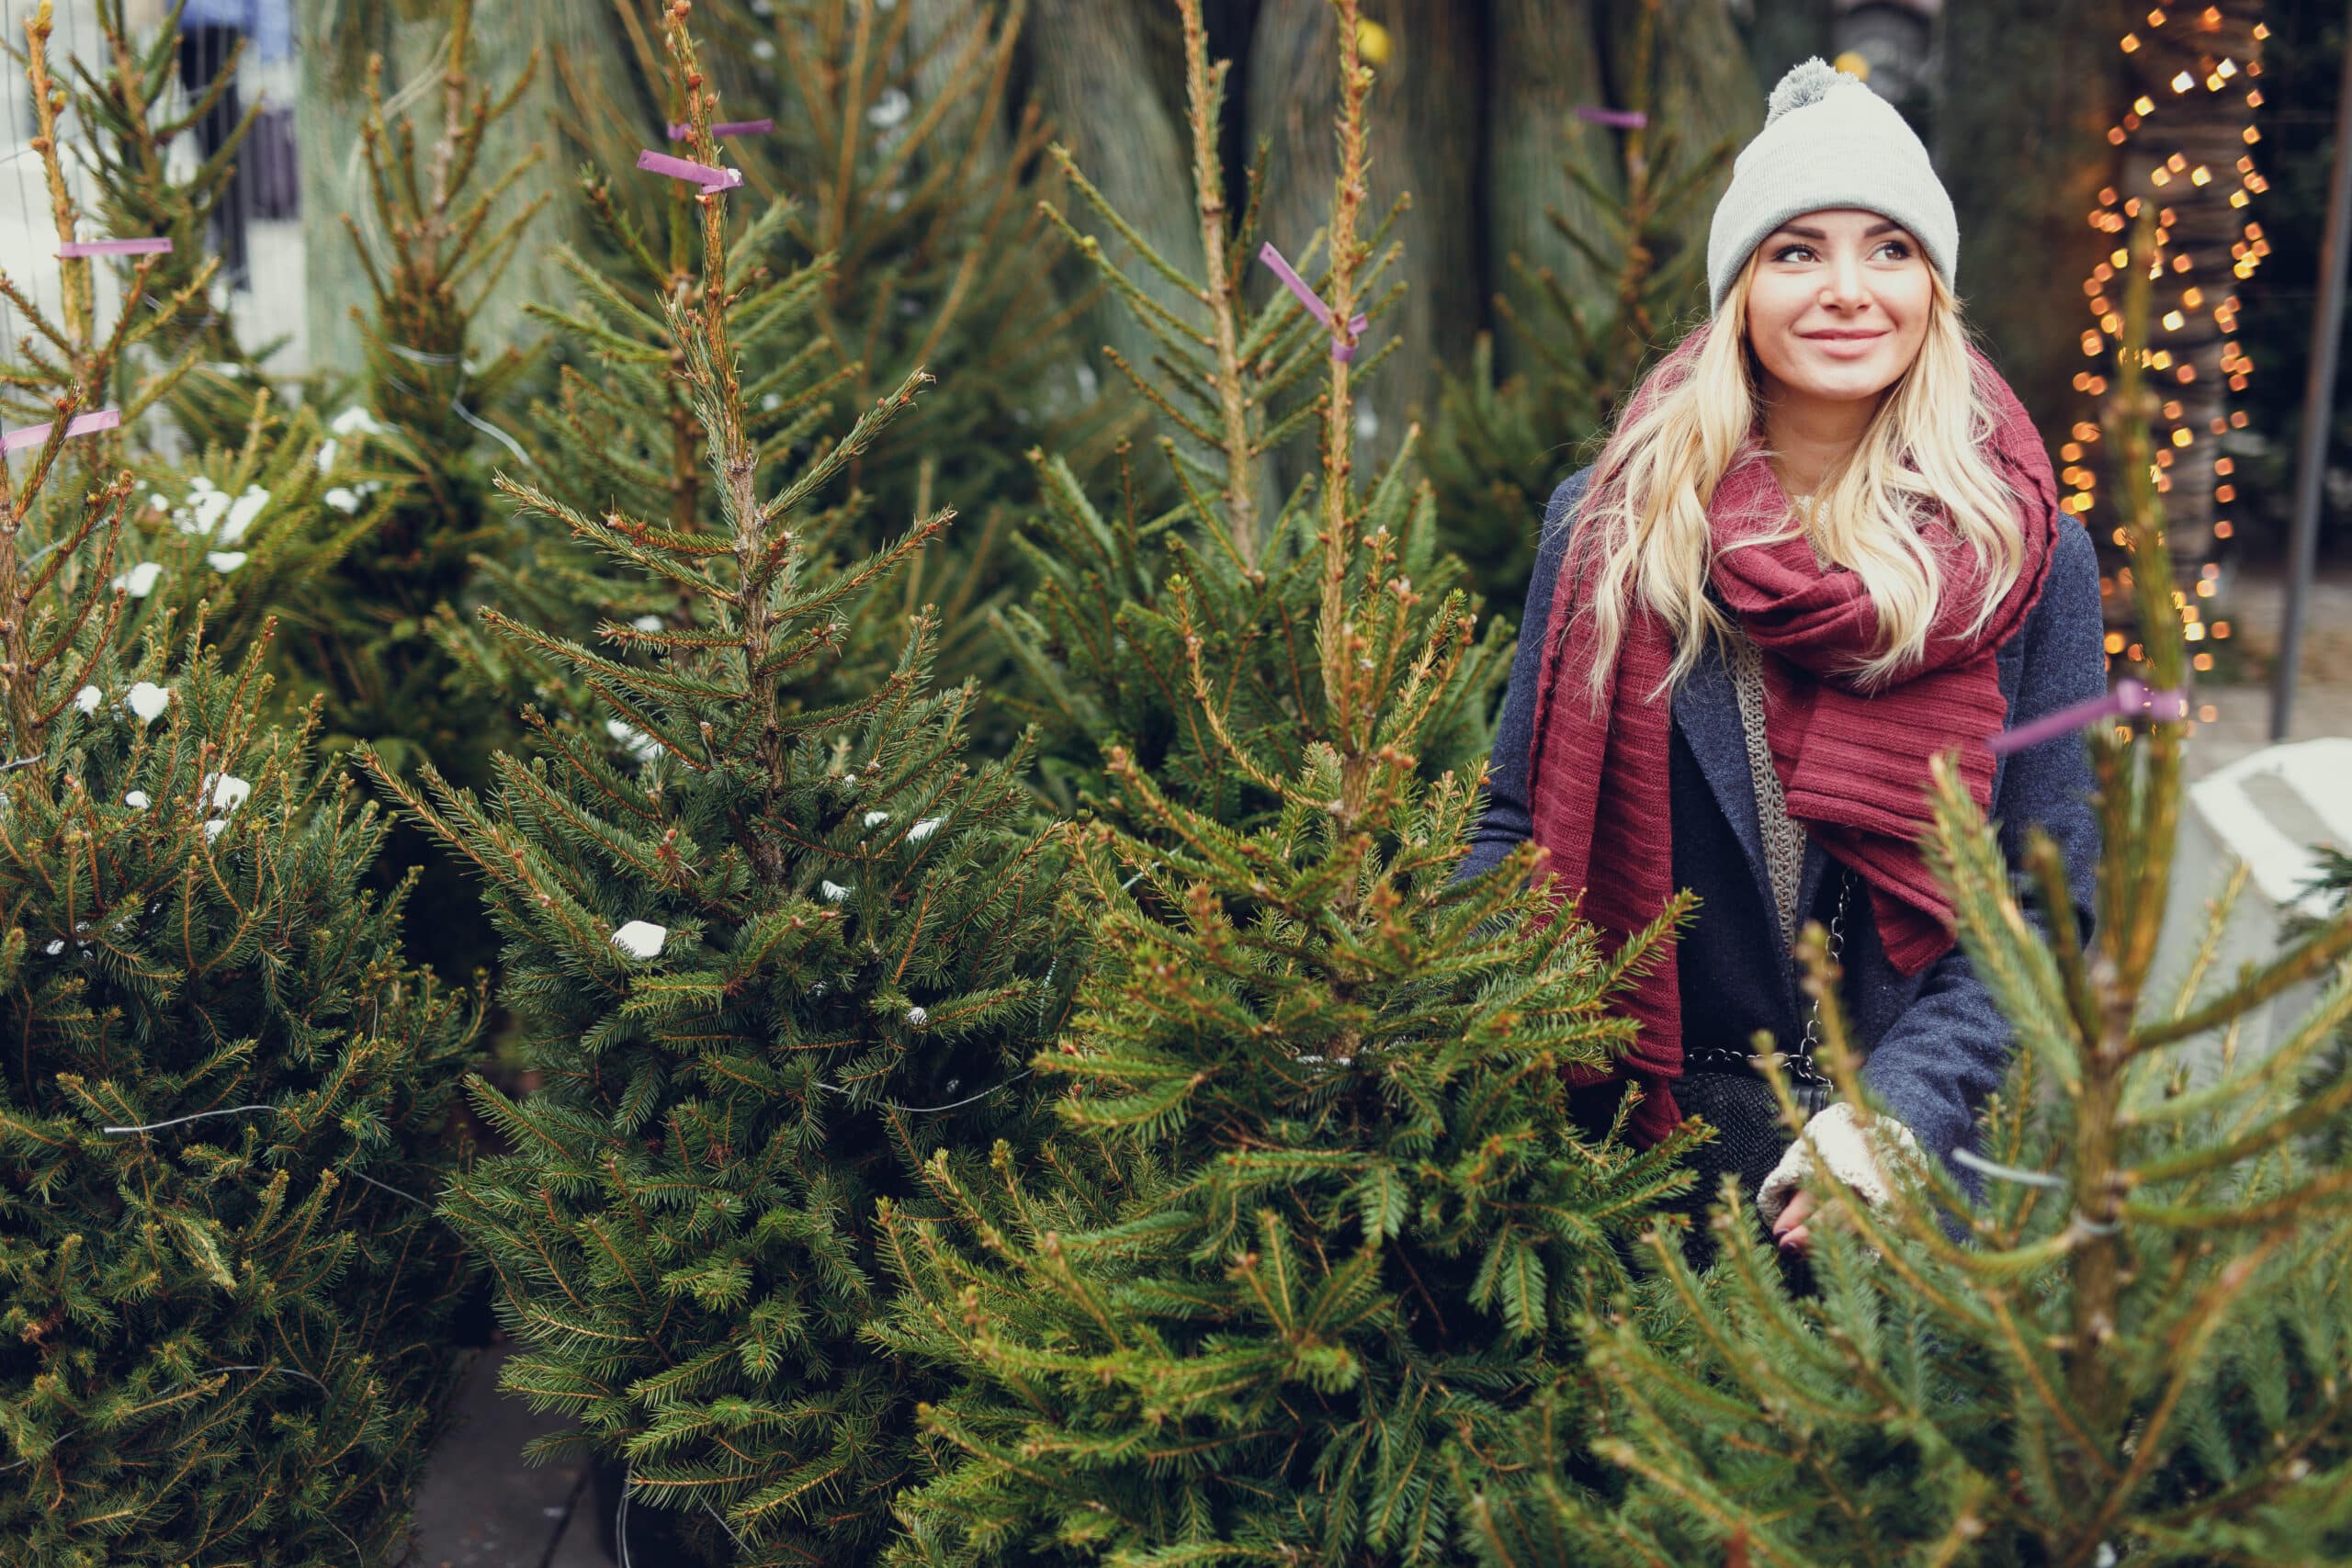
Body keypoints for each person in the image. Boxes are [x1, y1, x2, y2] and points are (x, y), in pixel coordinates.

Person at [1462, 58, 2107, 1265]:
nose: (1849, 291)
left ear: (1935, 288)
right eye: (1798, 250)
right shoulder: (1613, 527)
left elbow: (2038, 911)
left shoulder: (2028, 558)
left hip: (1903, 1186)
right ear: (1740, 291)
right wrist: (1398, 998)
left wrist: (1897, 1123)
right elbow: (1516, 834)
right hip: (1631, 1176)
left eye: (1892, 251)